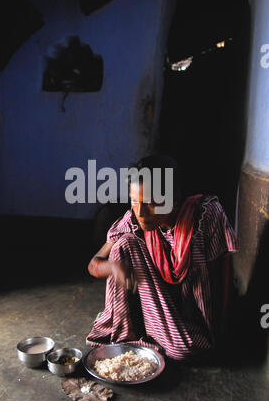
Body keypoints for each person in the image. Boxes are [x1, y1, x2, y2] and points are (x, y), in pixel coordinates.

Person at [86, 155, 238, 361]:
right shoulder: (134, 220)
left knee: (183, 349)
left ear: (172, 200)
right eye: (134, 201)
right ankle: (127, 333)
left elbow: (225, 271)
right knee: (123, 244)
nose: (140, 212)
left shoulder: (205, 215)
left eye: (149, 203)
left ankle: (147, 340)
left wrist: (223, 328)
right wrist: (114, 268)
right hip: (154, 310)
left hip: (189, 314)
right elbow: (94, 264)